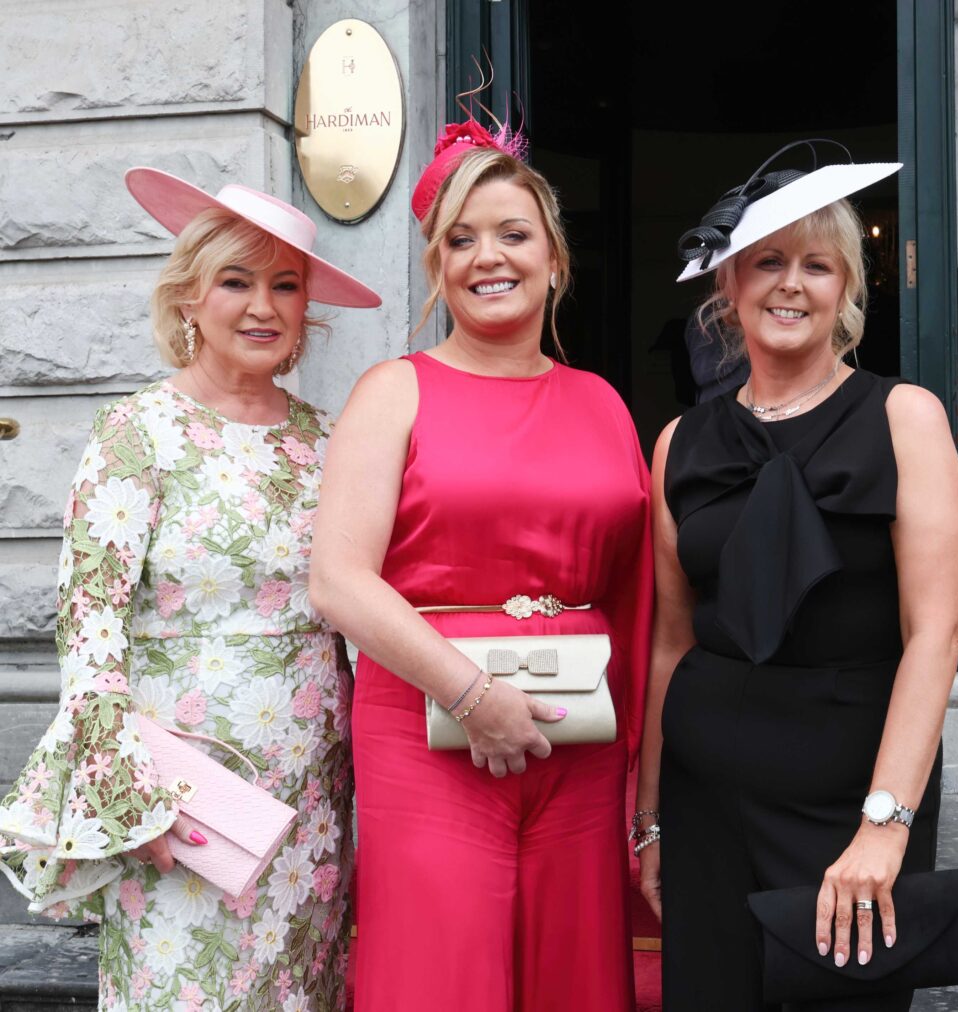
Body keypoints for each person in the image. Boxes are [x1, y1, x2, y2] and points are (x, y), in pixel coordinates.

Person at [0, 168, 380, 1011]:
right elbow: (89, 623)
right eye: (236, 281)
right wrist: (130, 797)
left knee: (301, 991)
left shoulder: (329, 439)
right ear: (188, 299)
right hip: (181, 790)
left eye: (285, 285)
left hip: (312, 795)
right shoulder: (138, 431)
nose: (263, 307)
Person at [309, 117, 653, 1011]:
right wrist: (472, 697)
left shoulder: (604, 403)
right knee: (439, 975)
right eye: (460, 239)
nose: (485, 256)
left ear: (553, 259)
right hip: (428, 738)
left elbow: (638, 593)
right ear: (436, 265)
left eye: (512, 234)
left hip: (576, 744)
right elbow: (338, 578)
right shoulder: (393, 391)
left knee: (574, 978)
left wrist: (639, 779)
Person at [634, 142, 958, 1011]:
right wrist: (652, 816)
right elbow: (672, 641)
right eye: (768, 262)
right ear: (730, 287)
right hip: (706, 800)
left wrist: (884, 825)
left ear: (847, 289)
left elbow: (936, 635)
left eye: (817, 265)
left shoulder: (906, 419)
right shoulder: (679, 443)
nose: (791, 284)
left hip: (850, 803)